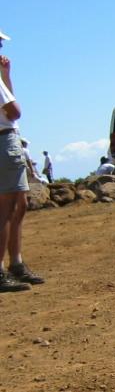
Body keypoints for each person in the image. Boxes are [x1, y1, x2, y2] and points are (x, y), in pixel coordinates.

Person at [0, 29, 44, 292]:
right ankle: (4, 269)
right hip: (4, 139)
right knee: (7, 208)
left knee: (19, 204)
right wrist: (5, 77)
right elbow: (15, 112)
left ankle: (15, 263)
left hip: (7, 138)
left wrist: (6, 78)